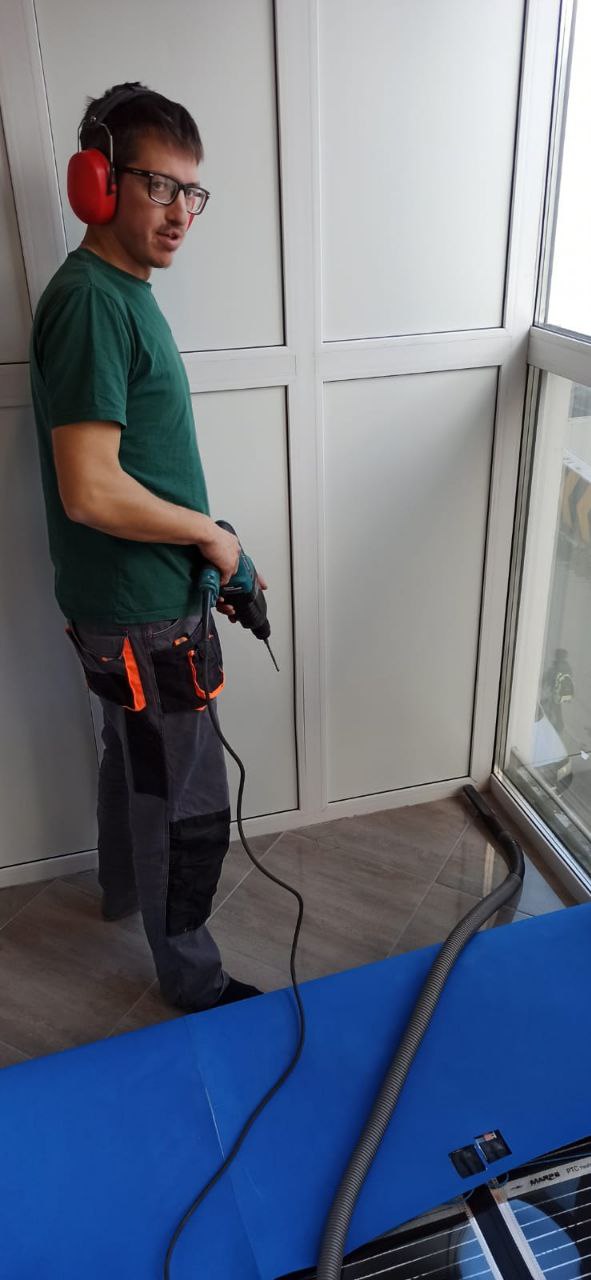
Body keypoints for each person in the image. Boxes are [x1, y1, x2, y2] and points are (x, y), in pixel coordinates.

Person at [29, 81, 262, 1013]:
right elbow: (89, 490)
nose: (179, 213)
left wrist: (211, 548)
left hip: (132, 602)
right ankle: (194, 983)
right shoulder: (93, 302)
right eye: (158, 186)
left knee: (133, 757)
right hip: (143, 613)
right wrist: (211, 534)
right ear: (98, 182)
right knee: (184, 799)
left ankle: (122, 895)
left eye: (190, 192)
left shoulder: (117, 292)